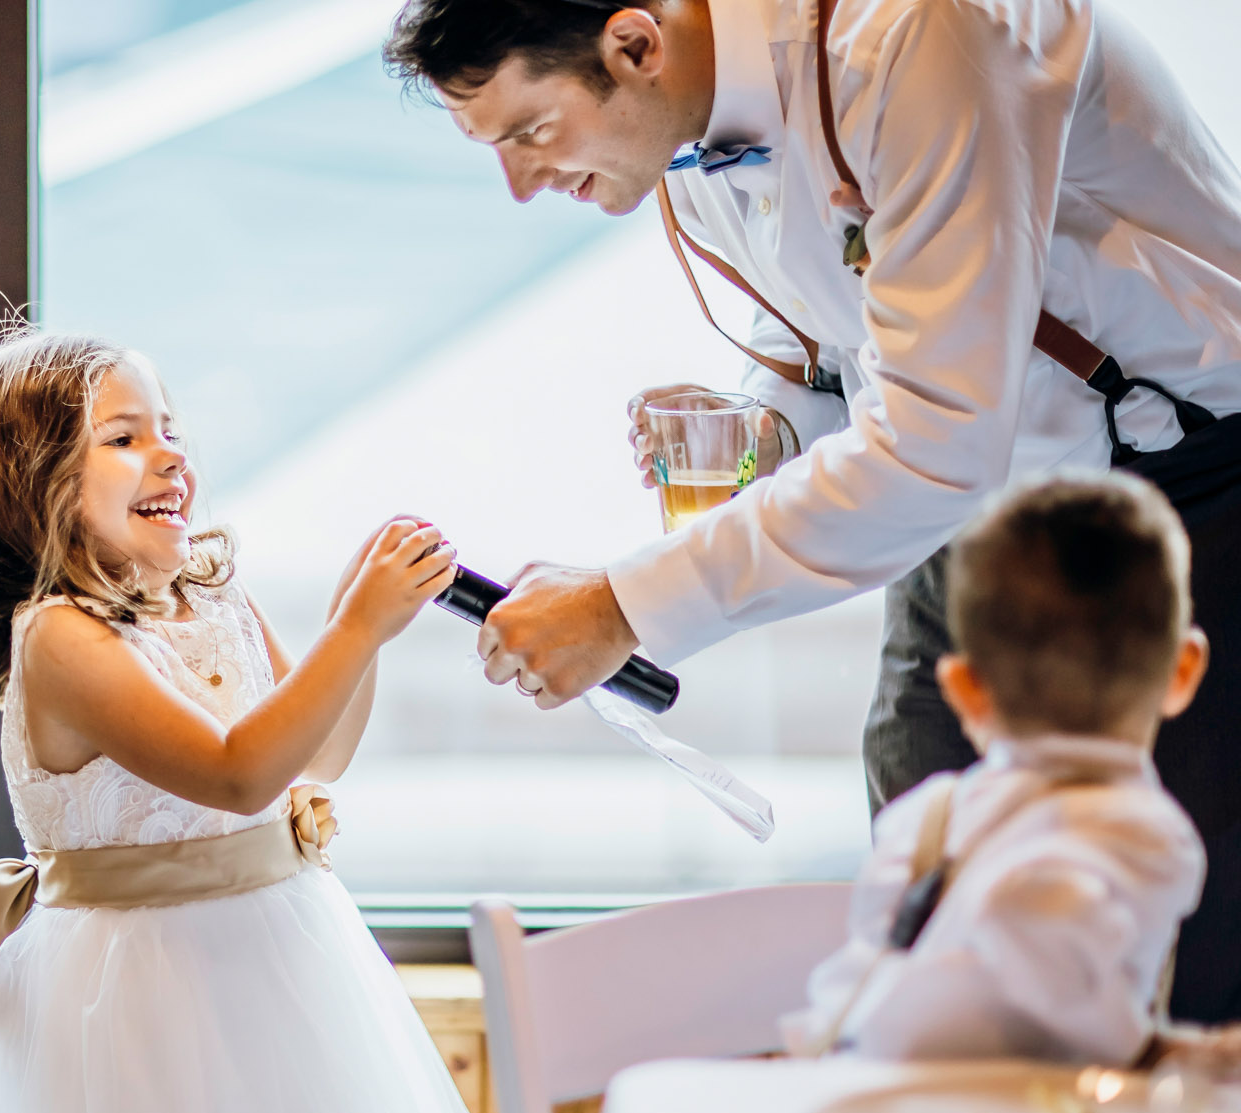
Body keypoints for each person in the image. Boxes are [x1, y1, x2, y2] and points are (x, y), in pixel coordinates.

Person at [382, 0, 1241, 1021]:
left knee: (1177, 925)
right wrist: (769, 424)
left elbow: (935, 440)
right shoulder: (688, 134)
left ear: (633, 46)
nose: (519, 186)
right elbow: (844, 336)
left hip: (1186, 487)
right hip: (975, 516)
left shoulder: (917, 35)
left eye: (527, 134)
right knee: (929, 899)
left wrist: (620, 606)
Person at [0, 331, 529, 1113]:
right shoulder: (59, 638)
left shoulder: (210, 593)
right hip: (139, 993)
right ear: (30, 485)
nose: (170, 453)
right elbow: (237, 773)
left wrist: (352, 632)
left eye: (171, 429)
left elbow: (317, 756)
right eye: (124, 436)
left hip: (279, 962)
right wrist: (355, 628)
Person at [782, 475, 1207, 1063]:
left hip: (882, 1104)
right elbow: (1043, 909)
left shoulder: (924, 816)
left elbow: (868, 956)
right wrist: (1161, 1056)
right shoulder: (1148, 832)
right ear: (1184, 669)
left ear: (963, 688)